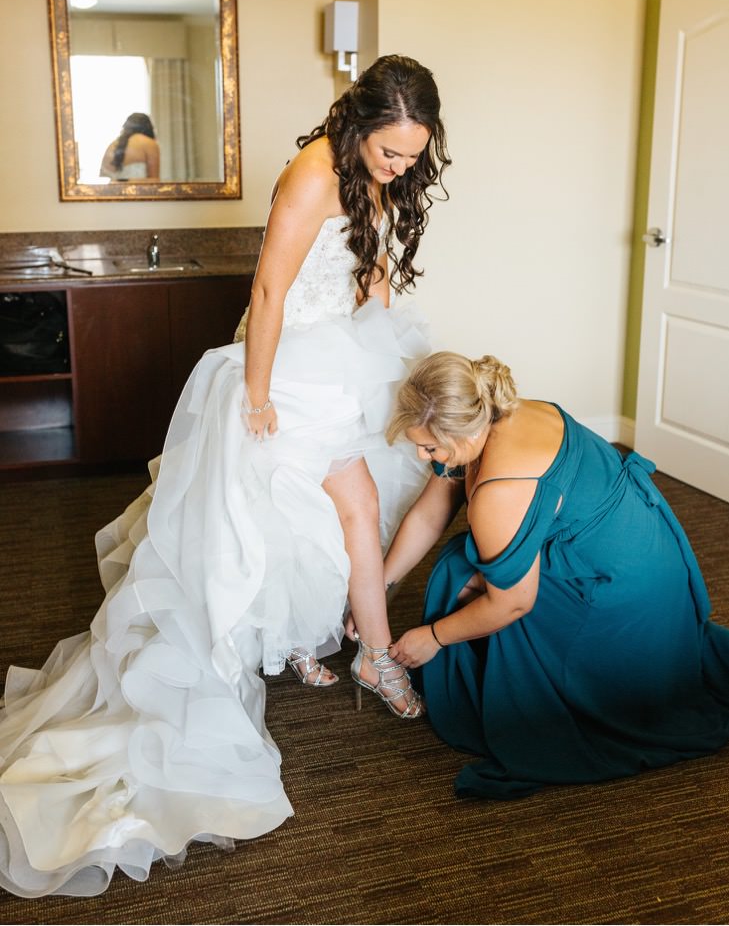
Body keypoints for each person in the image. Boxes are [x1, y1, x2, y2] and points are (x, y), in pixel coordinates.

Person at [0, 54, 449, 898]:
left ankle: (317, 641)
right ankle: (373, 656)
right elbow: (272, 289)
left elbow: (368, 261)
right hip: (286, 372)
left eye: (411, 156)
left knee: (309, 521)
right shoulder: (313, 173)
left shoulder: (372, 169)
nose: (400, 168)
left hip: (341, 360)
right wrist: (255, 397)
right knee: (320, 513)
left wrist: (383, 308)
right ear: (360, 127)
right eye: (391, 153)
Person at [377, 351, 729, 799]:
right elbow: (430, 515)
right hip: (639, 545)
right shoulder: (495, 410)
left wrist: (433, 636)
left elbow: (513, 602)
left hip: (617, 588)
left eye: (429, 447)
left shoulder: (499, 489)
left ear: (462, 429)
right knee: (465, 566)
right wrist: (380, 588)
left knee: (459, 573)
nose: (421, 455)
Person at [98, 112, 160, 180]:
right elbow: (154, 181)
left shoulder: (113, 145)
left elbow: (103, 179)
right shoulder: (150, 144)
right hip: (139, 190)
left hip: (109, 190)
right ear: (149, 127)